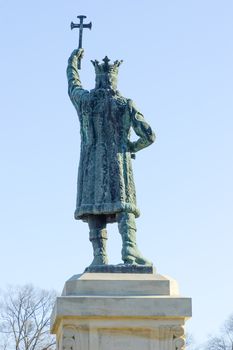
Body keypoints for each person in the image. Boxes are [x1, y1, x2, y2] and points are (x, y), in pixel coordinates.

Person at [67, 48, 155, 267]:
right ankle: (129, 248)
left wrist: (73, 64)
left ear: (97, 80)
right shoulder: (125, 104)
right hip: (119, 163)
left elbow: (73, 86)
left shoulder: (86, 102)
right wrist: (131, 146)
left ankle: (100, 256)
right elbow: (149, 135)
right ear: (114, 81)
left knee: (94, 206)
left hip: (91, 165)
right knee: (124, 204)